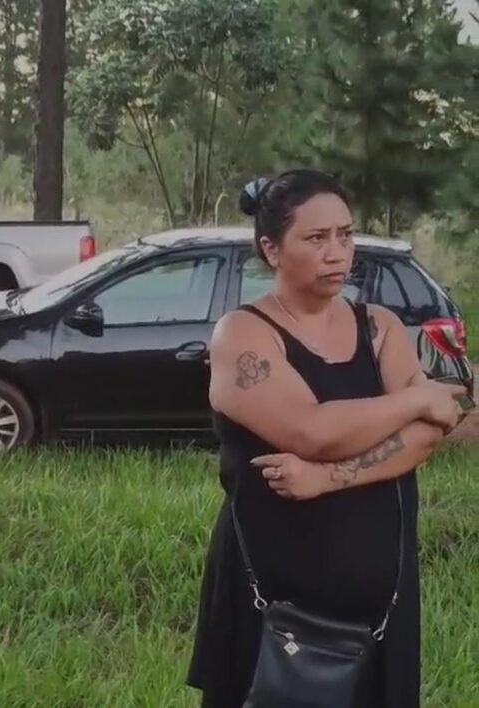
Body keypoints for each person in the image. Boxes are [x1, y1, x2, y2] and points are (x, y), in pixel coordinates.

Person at [186, 170, 468, 708]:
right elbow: (310, 429)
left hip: (380, 603)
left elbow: (426, 438)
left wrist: (328, 478)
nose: (337, 252)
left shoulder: (379, 326)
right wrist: (415, 397)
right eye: (316, 239)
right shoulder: (245, 335)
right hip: (274, 604)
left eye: (345, 234)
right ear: (271, 249)